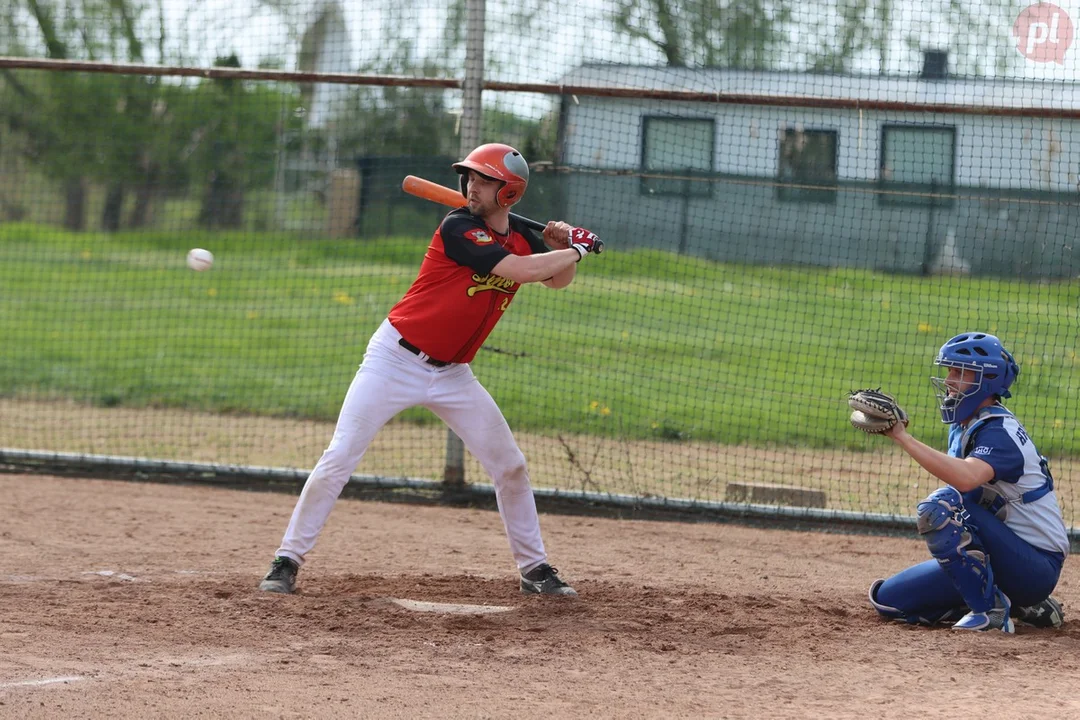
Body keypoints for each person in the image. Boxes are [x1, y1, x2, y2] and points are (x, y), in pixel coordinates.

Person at [258, 143, 604, 597]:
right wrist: (576, 250)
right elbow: (518, 271)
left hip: (454, 374)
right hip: (395, 359)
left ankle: (534, 569)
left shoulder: (521, 237)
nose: (471, 186)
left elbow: (555, 279)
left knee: (511, 466)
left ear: (510, 193)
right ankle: (286, 560)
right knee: (340, 456)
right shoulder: (459, 226)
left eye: (484, 180)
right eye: (470, 177)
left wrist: (561, 248)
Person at [867, 332, 1068, 632]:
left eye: (959, 372)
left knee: (940, 508)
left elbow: (965, 479)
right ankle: (1017, 602)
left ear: (986, 380)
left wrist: (902, 437)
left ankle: (993, 612)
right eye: (949, 370)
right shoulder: (966, 427)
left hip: (1035, 566)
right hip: (1003, 557)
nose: (948, 380)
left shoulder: (1000, 432)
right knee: (889, 600)